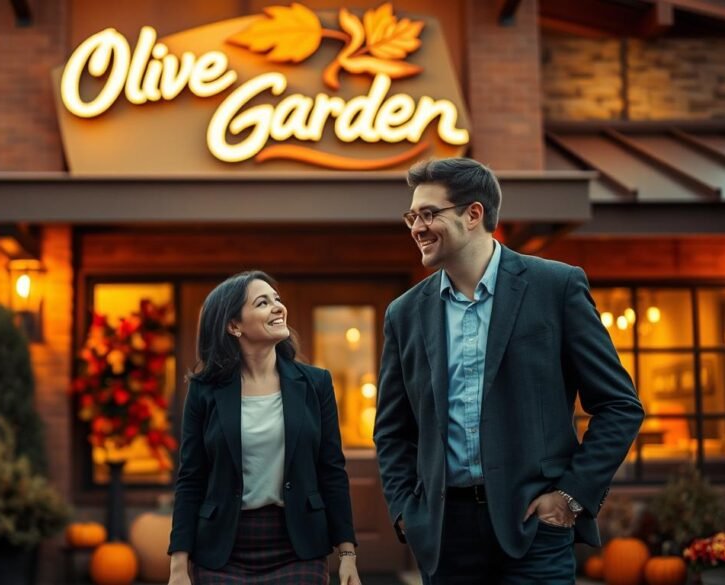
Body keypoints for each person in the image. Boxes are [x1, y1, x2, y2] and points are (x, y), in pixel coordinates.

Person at [374, 158, 644, 584]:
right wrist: (408, 512)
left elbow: (619, 406)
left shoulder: (556, 287)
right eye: (412, 216)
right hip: (445, 534)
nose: (416, 227)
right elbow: (392, 430)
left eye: (429, 214)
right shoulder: (404, 313)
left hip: (535, 529)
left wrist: (570, 496)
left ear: (473, 214)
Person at [168, 270, 361, 585]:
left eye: (277, 299)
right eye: (262, 302)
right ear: (234, 326)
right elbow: (191, 478)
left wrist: (348, 554)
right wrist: (178, 566)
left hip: (298, 547)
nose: (277, 307)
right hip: (221, 550)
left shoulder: (316, 384)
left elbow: (331, 471)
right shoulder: (204, 391)